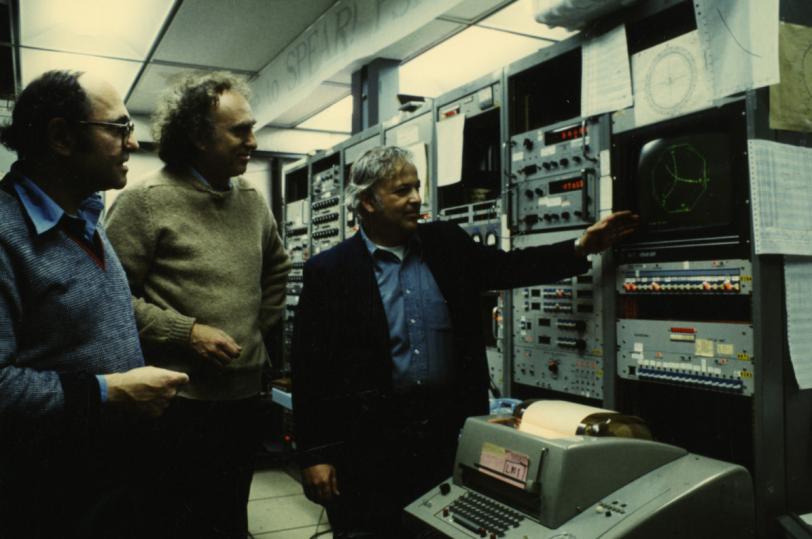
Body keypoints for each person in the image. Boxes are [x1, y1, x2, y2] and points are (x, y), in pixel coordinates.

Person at [291, 145, 638, 537]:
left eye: (417, 187)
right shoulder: (330, 271)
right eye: (402, 191)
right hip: (369, 443)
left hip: (446, 435)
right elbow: (309, 369)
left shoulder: (444, 243)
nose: (416, 199)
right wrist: (315, 454)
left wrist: (581, 247)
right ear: (368, 202)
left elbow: (509, 267)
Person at [0, 70, 190, 539]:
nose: (134, 143)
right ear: (62, 137)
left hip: (114, 476)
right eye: (120, 129)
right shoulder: (6, 235)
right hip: (51, 491)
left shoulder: (85, 216)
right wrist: (110, 391)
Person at [105, 71, 291, 539]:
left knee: (229, 520)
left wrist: (253, 331)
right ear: (197, 136)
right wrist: (185, 333)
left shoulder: (252, 199)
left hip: (242, 400)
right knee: (171, 523)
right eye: (239, 130)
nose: (253, 139)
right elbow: (108, 298)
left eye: (252, 127)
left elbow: (277, 269)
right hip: (175, 406)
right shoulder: (145, 202)